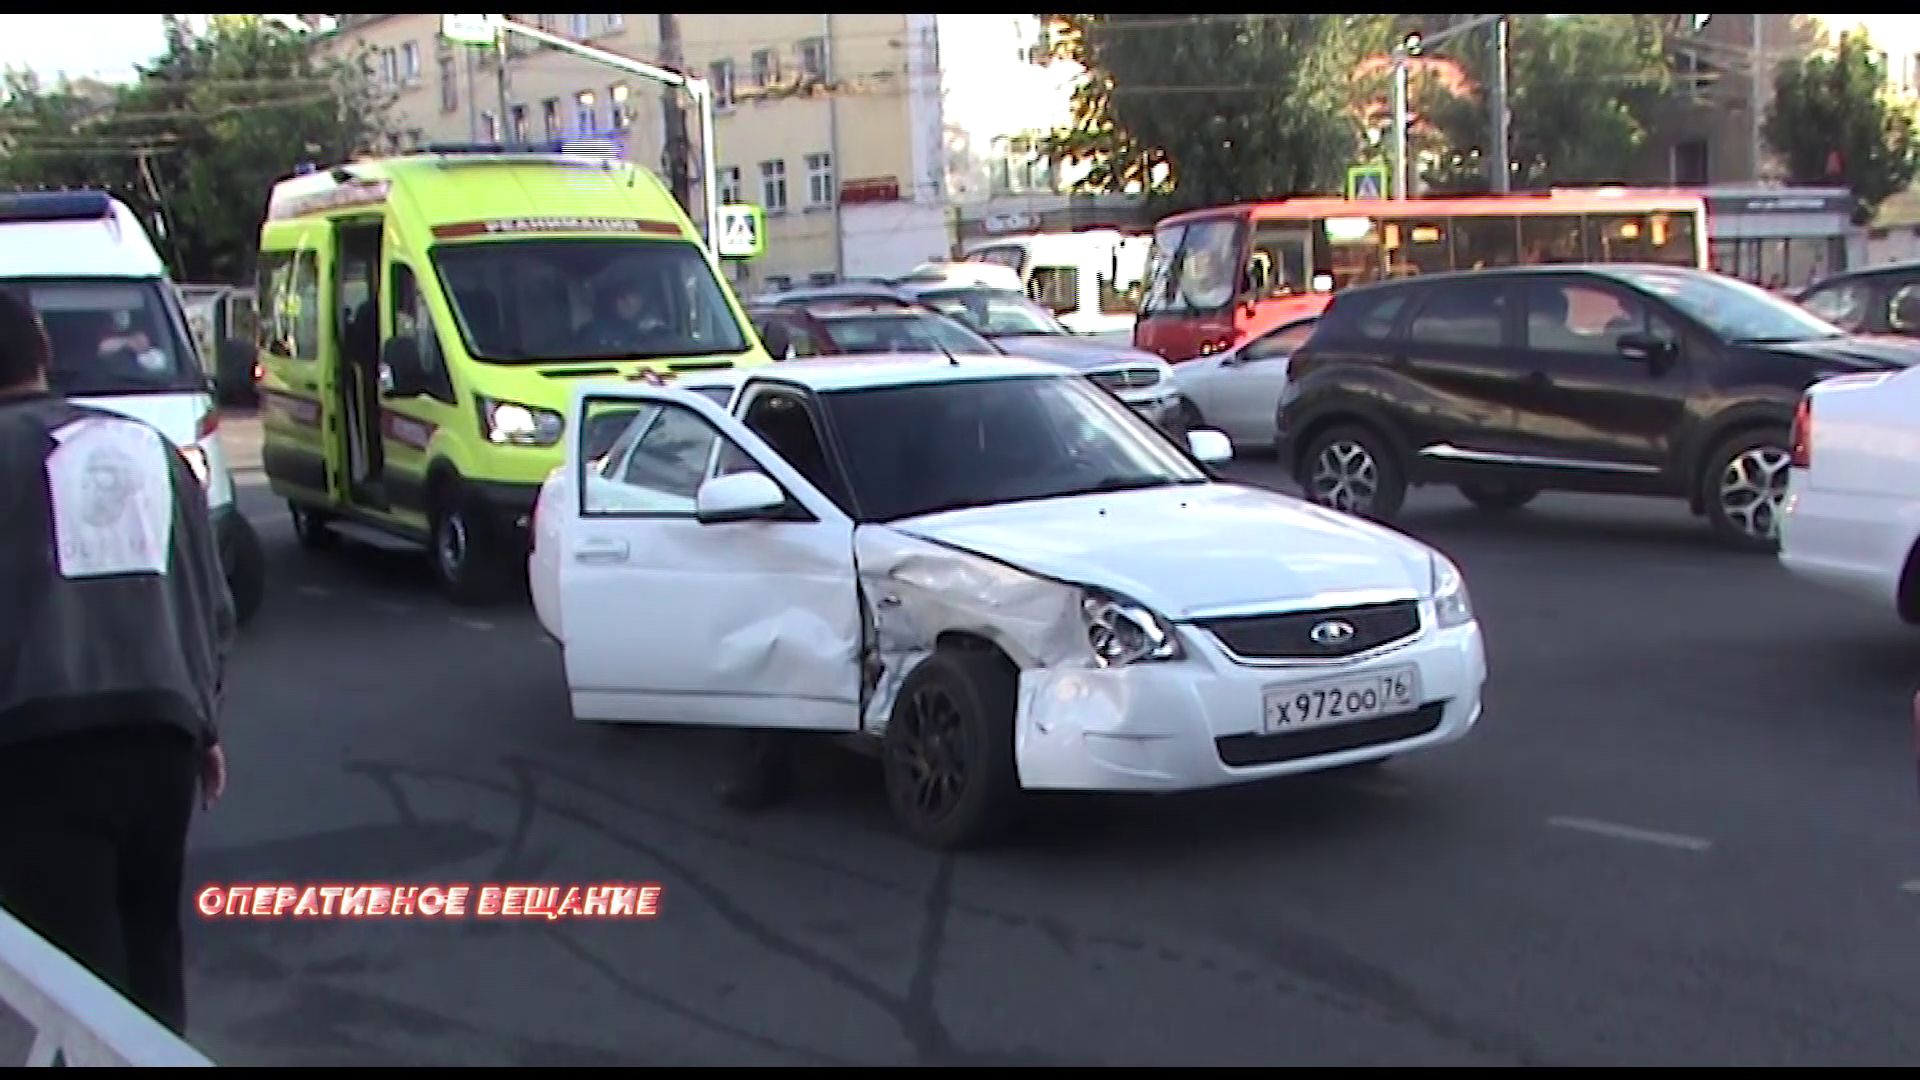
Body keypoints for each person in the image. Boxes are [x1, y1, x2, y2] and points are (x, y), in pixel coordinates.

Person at [0, 287, 234, 1037]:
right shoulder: (146, 449)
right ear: (42, 348)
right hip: (161, 737)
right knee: (151, 954)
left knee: (74, 989)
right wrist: (205, 722)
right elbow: (206, 595)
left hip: (38, 746)